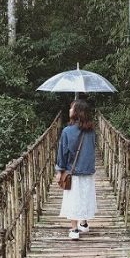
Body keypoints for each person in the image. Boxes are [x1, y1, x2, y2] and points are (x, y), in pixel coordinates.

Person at [55, 98, 97, 240]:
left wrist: (60, 170)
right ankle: (84, 223)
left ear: (77, 112)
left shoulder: (67, 131)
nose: (69, 110)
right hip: (88, 170)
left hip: (72, 171)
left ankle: (74, 229)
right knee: (86, 196)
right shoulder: (91, 131)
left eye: (72, 108)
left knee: (73, 199)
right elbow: (92, 150)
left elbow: (63, 152)